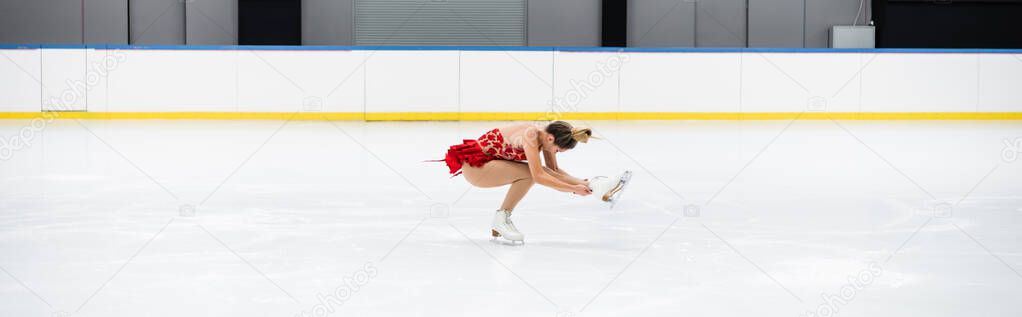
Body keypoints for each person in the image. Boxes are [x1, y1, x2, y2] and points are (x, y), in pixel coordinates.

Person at [436, 121, 627, 243]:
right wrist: (573, 189)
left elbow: (553, 171)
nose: (555, 153)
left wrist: (584, 184)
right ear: (551, 138)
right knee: (529, 173)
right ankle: (501, 220)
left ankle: (598, 185)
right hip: (477, 167)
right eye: (557, 150)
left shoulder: (545, 137)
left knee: (535, 172)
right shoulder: (531, 135)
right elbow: (537, 176)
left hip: (490, 164)